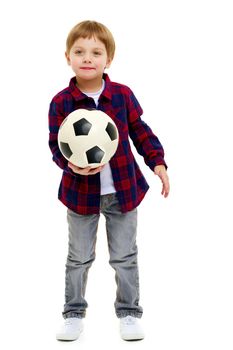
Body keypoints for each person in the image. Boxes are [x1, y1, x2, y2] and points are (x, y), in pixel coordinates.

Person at [48, 20, 170, 342]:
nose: (87, 58)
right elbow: (55, 145)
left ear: (108, 59)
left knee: (124, 256)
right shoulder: (61, 102)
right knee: (79, 257)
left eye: (96, 52)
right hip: (80, 195)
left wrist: (157, 162)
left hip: (123, 193)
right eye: (79, 51)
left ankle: (129, 313)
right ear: (68, 57)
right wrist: (71, 165)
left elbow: (141, 132)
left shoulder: (122, 95)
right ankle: (73, 313)